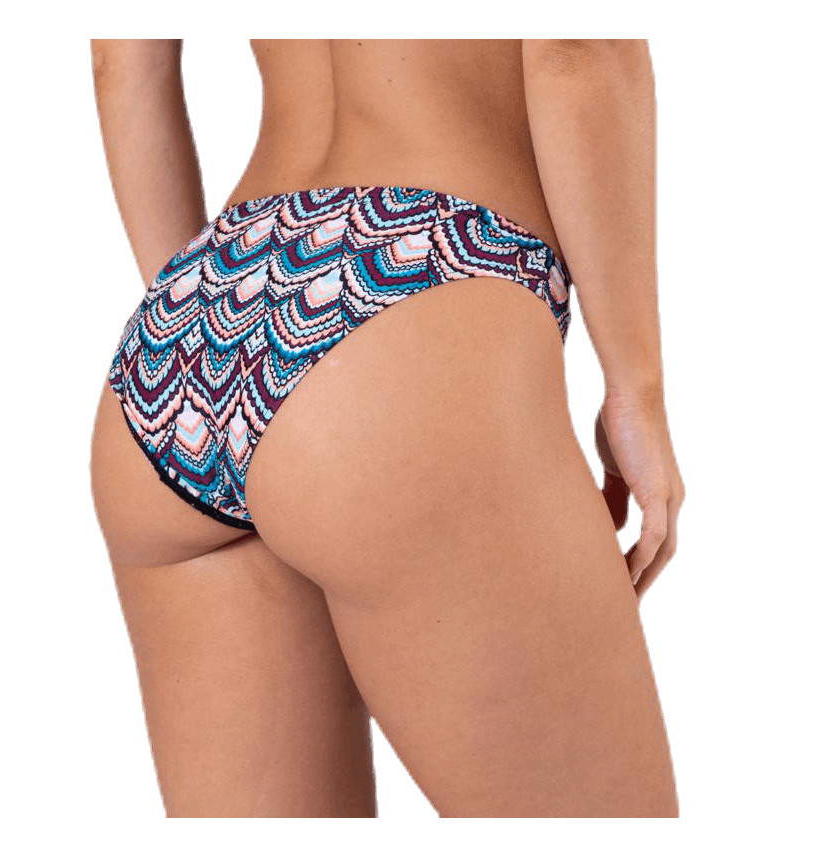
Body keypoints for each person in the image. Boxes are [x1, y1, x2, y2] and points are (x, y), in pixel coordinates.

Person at [88, 38, 684, 818]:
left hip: (196, 323)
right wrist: (636, 390)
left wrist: (227, 343)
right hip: (416, 269)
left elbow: (121, 66)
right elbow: (574, 52)